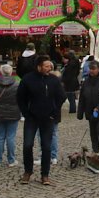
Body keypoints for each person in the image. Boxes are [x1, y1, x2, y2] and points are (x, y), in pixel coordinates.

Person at [17, 55, 65, 186]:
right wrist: (26, 113)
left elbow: (61, 96)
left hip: (48, 118)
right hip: (32, 118)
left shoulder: (53, 80)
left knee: (47, 147)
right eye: (46, 66)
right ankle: (28, 172)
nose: (49, 68)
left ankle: (45, 175)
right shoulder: (28, 79)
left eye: (50, 66)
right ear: (39, 67)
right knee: (27, 145)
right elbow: (20, 98)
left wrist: (54, 112)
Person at [0, 64, 21, 167]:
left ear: (1, 72)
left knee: (0, 137)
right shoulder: (17, 85)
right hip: (13, 113)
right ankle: (11, 160)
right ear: (11, 72)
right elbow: (21, 99)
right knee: (11, 137)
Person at [78, 60, 99, 154]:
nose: (91, 70)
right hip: (90, 111)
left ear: (98, 69)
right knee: (93, 132)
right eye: (90, 68)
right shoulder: (86, 81)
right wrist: (80, 112)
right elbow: (82, 98)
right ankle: (95, 150)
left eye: (93, 69)